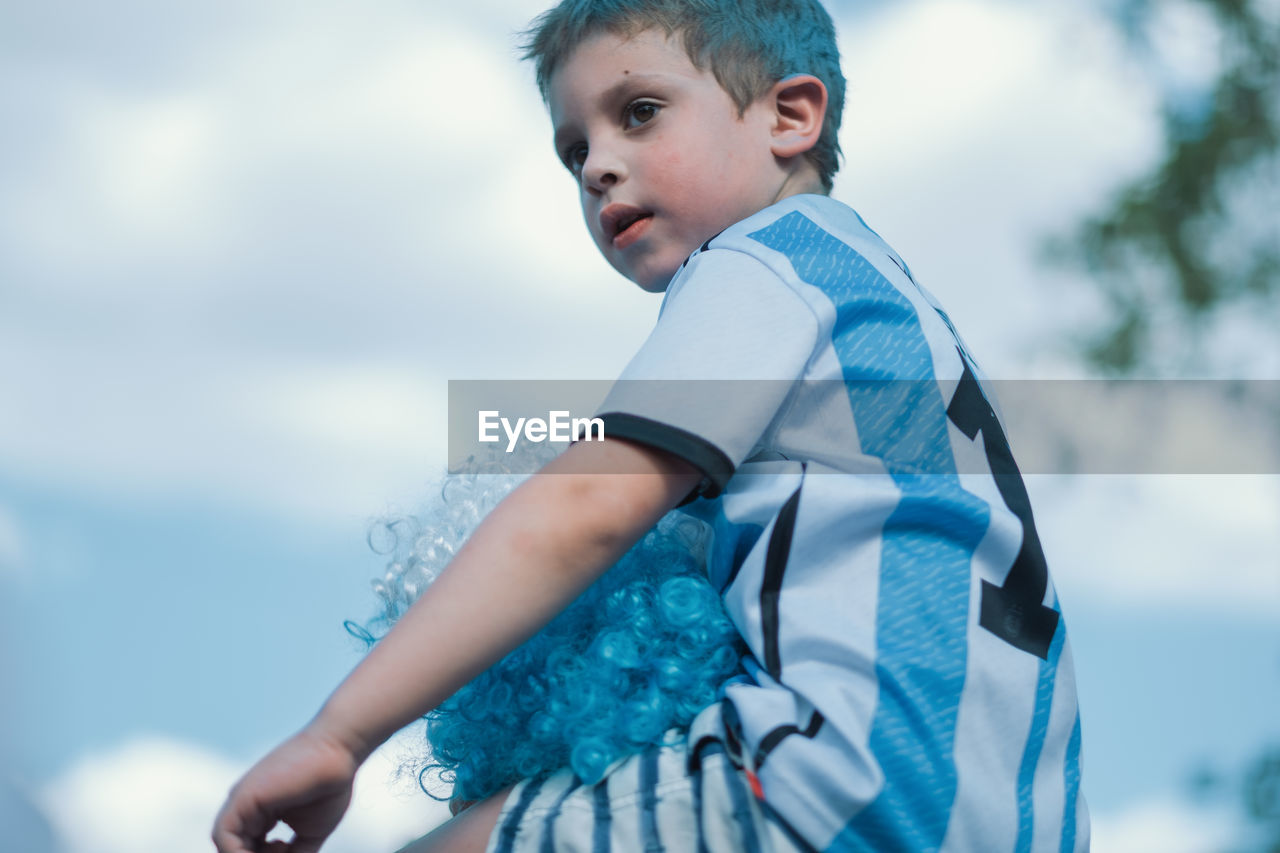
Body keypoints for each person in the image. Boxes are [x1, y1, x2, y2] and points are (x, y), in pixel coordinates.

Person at [212, 0, 1089, 850]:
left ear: (789, 115)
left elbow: (591, 502)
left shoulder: (767, 263)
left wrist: (340, 733)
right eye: (574, 150)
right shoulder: (889, 311)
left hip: (831, 774)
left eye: (639, 112)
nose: (597, 165)